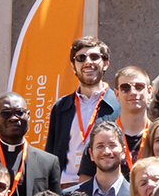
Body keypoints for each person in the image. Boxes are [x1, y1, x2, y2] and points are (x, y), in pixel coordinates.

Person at [45, 36, 120, 187]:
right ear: (73, 67)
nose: (88, 62)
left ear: (105, 64)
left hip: (102, 187)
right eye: (81, 58)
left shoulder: (119, 105)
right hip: (64, 188)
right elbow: (50, 154)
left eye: (94, 57)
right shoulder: (61, 106)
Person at [0, 92, 61, 196]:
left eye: (19, 112)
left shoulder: (48, 162)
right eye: (5, 113)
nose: (13, 118)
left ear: (29, 116)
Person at [68, 121, 131, 196]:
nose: (106, 151)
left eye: (112, 145)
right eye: (100, 146)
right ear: (91, 154)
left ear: (123, 152)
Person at [107, 66, 153, 177]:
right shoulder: (103, 138)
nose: (133, 92)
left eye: (139, 87)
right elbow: (87, 185)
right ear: (117, 94)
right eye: (125, 88)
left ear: (149, 92)